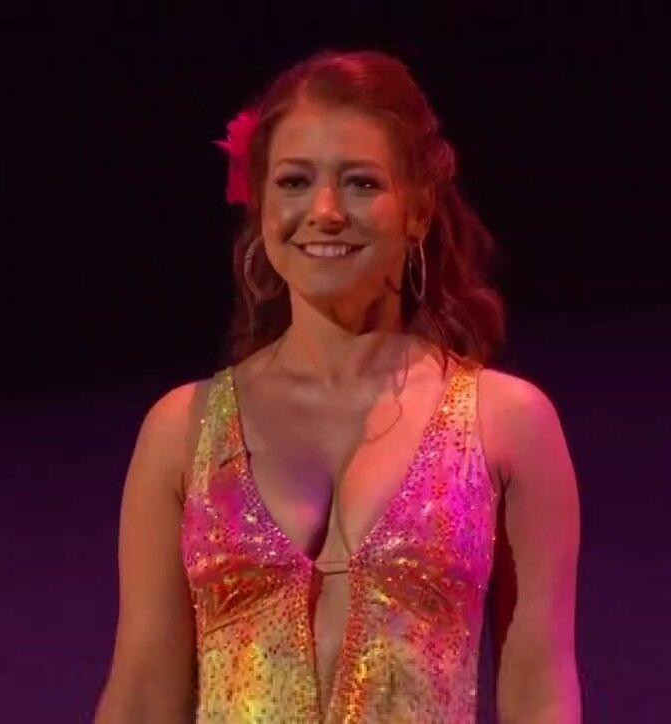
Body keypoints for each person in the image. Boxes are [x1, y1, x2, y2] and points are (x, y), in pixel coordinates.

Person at [94, 49, 582, 723]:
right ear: (260, 203)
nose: (324, 211)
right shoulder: (182, 430)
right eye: (294, 182)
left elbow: (539, 693)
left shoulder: (505, 422)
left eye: (360, 183)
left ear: (417, 211)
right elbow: (144, 694)